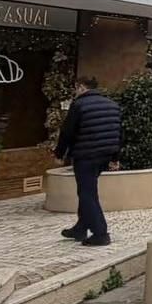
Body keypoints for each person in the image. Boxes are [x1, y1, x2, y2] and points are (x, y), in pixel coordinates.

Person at [54, 76, 123, 246]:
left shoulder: (79, 105)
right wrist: (115, 158)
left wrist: (59, 154)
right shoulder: (112, 105)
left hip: (86, 155)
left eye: (76, 88)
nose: (75, 92)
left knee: (87, 193)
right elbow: (119, 133)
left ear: (81, 87)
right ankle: (80, 227)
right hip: (105, 155)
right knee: (87, 190)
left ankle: (100, 233)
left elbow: (67, 132)